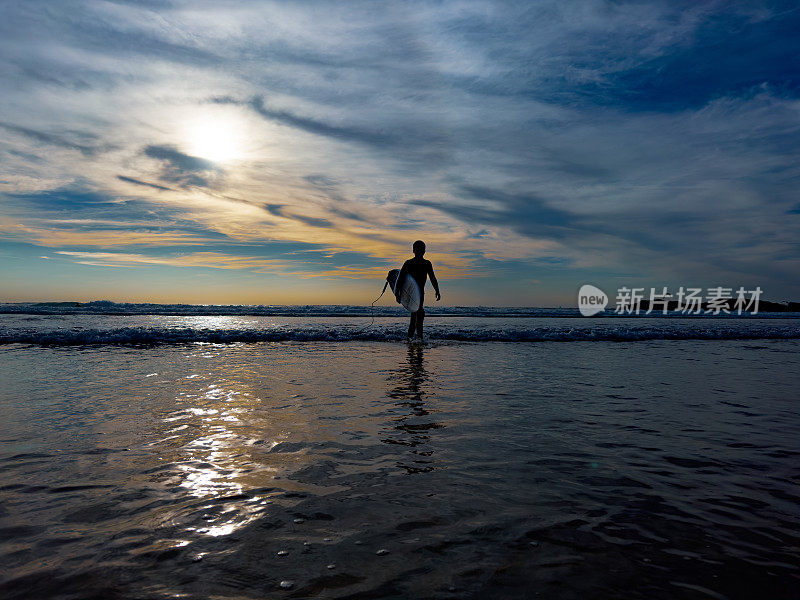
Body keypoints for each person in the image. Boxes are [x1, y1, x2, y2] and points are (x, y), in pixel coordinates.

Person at [396, 240, 441, 340]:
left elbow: (432, 278)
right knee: (418, 315)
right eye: (420, 249)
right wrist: (397, 294)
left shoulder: (421, 263)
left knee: (415, 316)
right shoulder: (414, 263)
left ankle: (411, 339)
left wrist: (437, 290)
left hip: (418, 294)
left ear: (413, 250)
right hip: (415, 294)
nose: (421, 251)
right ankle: (418, 339)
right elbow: (400, 279)